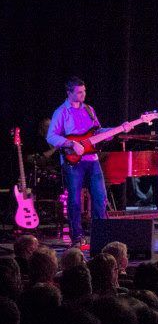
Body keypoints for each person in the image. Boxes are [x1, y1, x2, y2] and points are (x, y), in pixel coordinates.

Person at [47, 76, 136, 247]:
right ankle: (77, 236)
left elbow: (98, 132)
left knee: (100, 197)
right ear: (69, 93)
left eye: (84, 91)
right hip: (73, 162)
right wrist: (71, 143)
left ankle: (100, 235)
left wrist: (119, 129)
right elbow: (51, 137)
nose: (83, 95)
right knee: (74, 200)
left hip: (92, 159)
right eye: (79, 92)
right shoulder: (61, 112)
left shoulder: (89, 109)